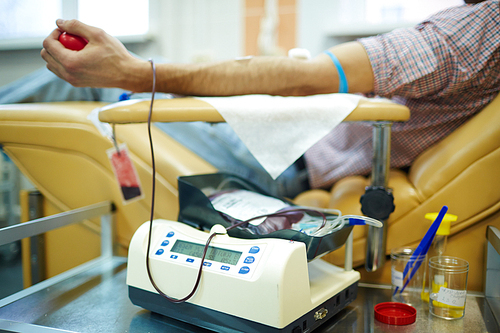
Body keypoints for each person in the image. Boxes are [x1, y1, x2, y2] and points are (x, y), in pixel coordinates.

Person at [8, 0, 500, 198]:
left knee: (98, 85)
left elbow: (306, 78)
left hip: (281, 161)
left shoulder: (478, 30)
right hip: (281, 142)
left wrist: (138, 73)